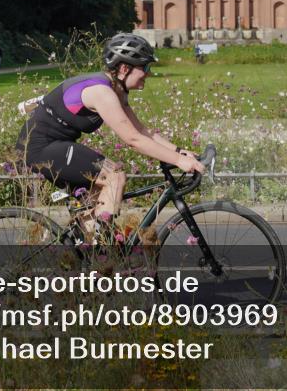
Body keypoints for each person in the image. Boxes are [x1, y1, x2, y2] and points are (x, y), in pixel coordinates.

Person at [15, 33, 205, 241]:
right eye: (145, 68)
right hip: (40, 148)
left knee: (97, 205)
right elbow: (133, 140)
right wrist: (178, 161)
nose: (148, 74)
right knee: (115, 177)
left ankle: (90, 254)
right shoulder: (101, 92)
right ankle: (101, 251)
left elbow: (142, 131)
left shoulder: (117, 90)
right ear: (124, 69)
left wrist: (178, 151)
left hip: (58, 145)